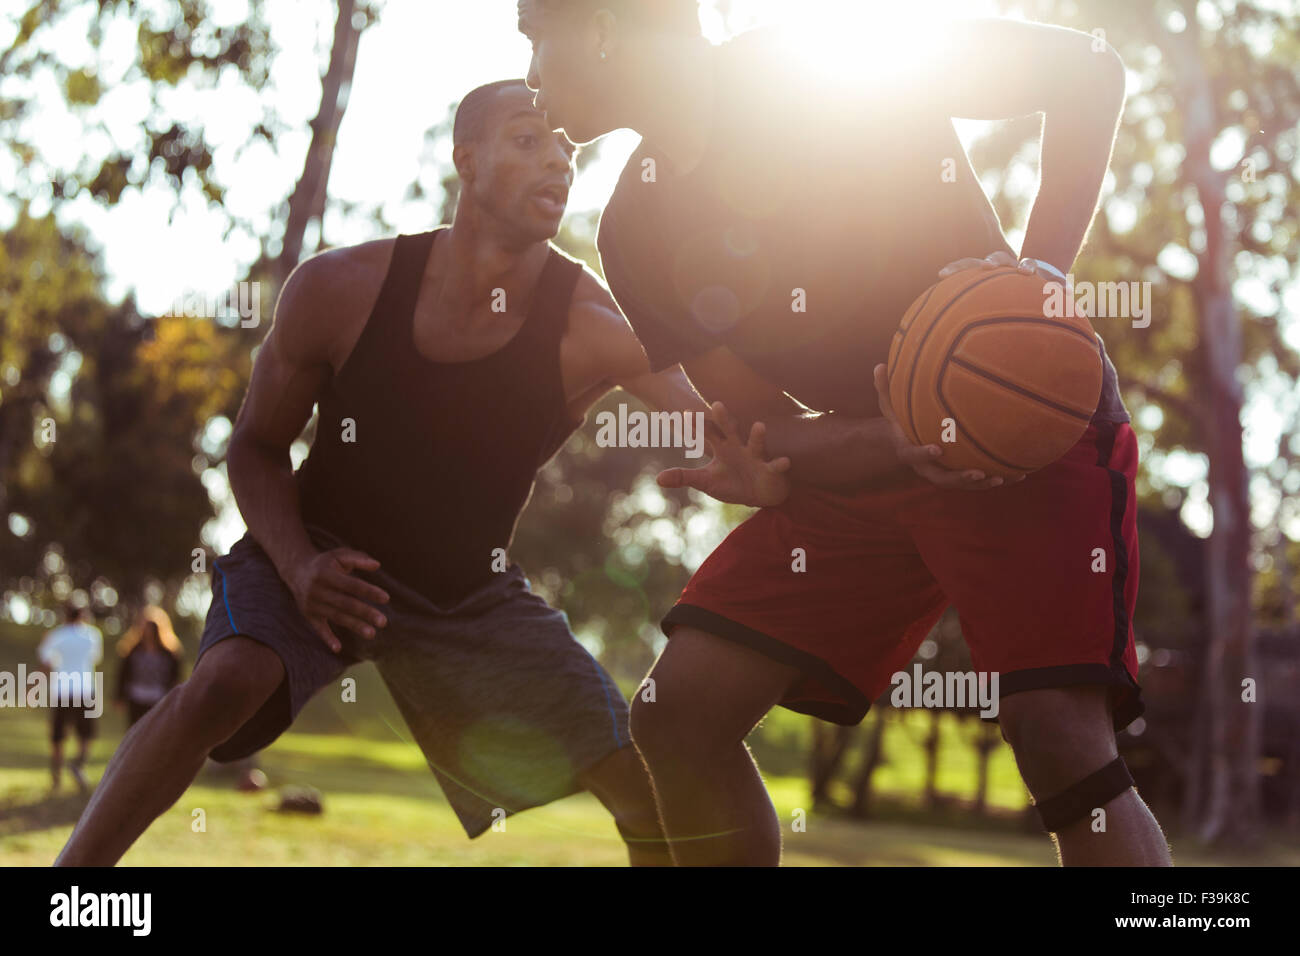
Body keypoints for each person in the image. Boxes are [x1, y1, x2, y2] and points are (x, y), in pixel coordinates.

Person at [54, 78, 788, 867]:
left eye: (567, 149)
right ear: (465, 160)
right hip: (321, 553)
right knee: (227, 683)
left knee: (643, 786)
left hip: (468, 593)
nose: (558, 163)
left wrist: (745, 464)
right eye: (528, 140)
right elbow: (255, 447)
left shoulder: (592, 323)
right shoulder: (339, 289)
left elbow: (710, 422)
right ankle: (70, 891)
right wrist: (299, 566)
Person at [517, 0, 1171, 865]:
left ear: (600, 28)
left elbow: (1088, 70)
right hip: (872, 464)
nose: (531, 76)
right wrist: (892, 443)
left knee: (1057, 738)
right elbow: (764, 425)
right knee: (676, 713)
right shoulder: (634, 228)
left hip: (1024, 437)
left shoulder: (821, 67)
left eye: (536, 41)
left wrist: (1038, 280)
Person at [38, 605, 103, 793]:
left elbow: (46, 660)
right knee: (85, 733)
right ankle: (78, 764)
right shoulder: (92, 635)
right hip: (84, 688)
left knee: (58, 734)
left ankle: (56, 773)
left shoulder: (57, 635)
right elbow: (95, 658)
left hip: (62, 689)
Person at [115, 606, 183, 726]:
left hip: (159, 698)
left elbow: (175, 677)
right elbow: (123, 674)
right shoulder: (133, 651)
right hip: (136, 698)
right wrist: (119, 696)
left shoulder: (169, 654)